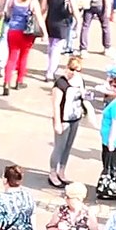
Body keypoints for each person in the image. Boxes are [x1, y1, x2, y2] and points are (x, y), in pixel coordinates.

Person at [1, 0, 48, 96]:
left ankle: (6, 82)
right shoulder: (32, 1)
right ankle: (19, 81)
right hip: (26, 32)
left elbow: (8, 13)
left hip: (13, 31)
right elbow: (40, 18)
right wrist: (45, 33)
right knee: (24, 56)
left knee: (11, 57)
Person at [50, 56, 90, 187]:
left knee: (68, 146)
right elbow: (56, 105)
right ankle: (53, 172)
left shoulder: (80, 81)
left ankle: (62, 171)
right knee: (59, 147)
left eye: (78, 70)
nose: (74, 73)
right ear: (67, 67)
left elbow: (82, 97)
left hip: (75, 117)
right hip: (63, 119)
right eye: (72, 69)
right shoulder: (61, 84)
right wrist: (57, 122)